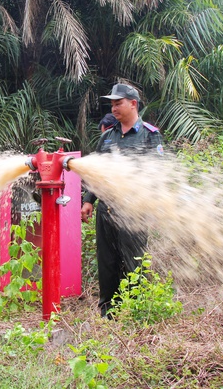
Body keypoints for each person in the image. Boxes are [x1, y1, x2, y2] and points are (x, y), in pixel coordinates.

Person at [80, 83, 163, 318]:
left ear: (133, 104)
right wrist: (88, 200)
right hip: (106, 209)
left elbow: (158, 174)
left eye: (118, 103)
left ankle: (135, 312)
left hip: (134, 211)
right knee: (107, 262)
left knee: (134, 260)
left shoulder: (150, 135)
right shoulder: (108, 137)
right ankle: (108, 313)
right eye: (112, 104)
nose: (114, 108)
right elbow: (97, 172)